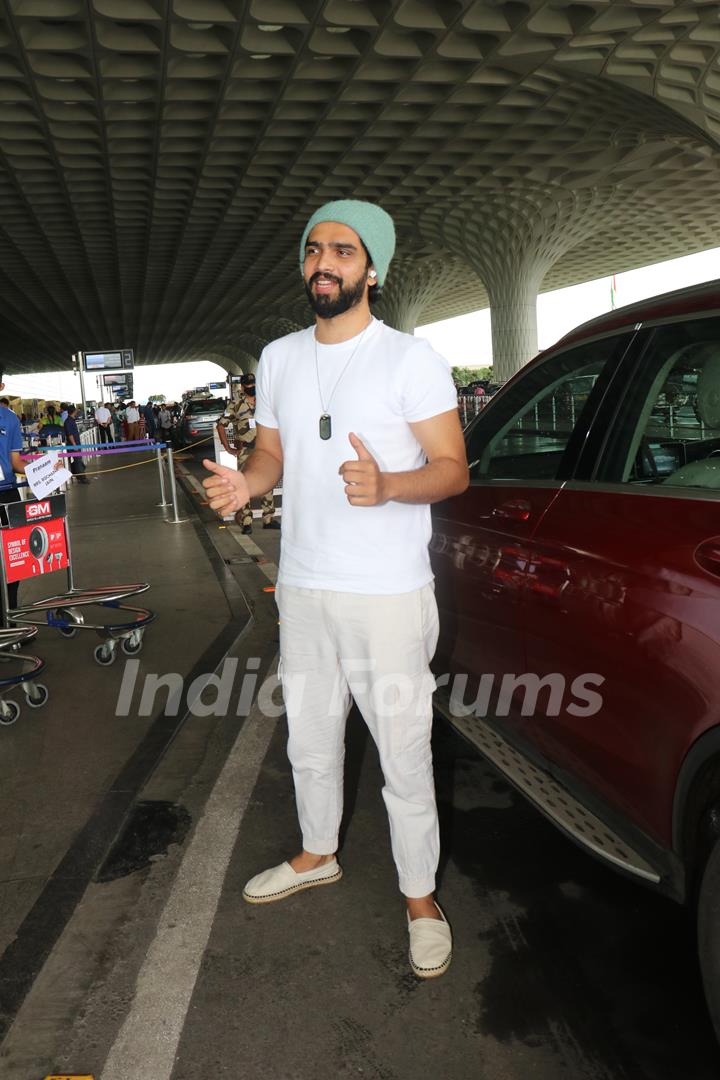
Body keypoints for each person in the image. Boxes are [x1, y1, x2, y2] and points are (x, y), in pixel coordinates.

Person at [203, 199, 468, 979]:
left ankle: (420, 897)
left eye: (344, 251)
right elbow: (270, 457)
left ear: (373, 268)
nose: (325, 263)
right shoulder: (280, 357)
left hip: (387, 592)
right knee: (310, 739)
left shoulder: (409, 358)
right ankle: (319, 851)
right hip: (307, 585)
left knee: (404, 751)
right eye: (315, 250)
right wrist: (242, 488)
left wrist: (388, 484)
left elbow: (453, 469)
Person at [216, 374, 278, 534]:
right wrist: (228, 447)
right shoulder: (236, 404)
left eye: (253, 383)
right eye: (248, 384)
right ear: (243, 387)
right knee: (244, 482)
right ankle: (247, 522)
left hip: (265, 448)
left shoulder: (265, 401)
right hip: (246, 449)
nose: (251, 386)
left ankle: (268, 519)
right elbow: (221, 425)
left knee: (268, 482)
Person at [0, 372, 28, 620]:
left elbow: (16, 462)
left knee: (14, 556)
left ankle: (11, 616)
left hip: (6, 495)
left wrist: (45, 471)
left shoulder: (9, 419)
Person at [63, 404, 89, 484]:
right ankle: (82, 478)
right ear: (74, 411)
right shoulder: (68, 421)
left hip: (75, 444)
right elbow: (70, 434)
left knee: (78, 461)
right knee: (78, 460)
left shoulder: (71, 420)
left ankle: (78, 475)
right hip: (73, 445)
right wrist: (74, 444)